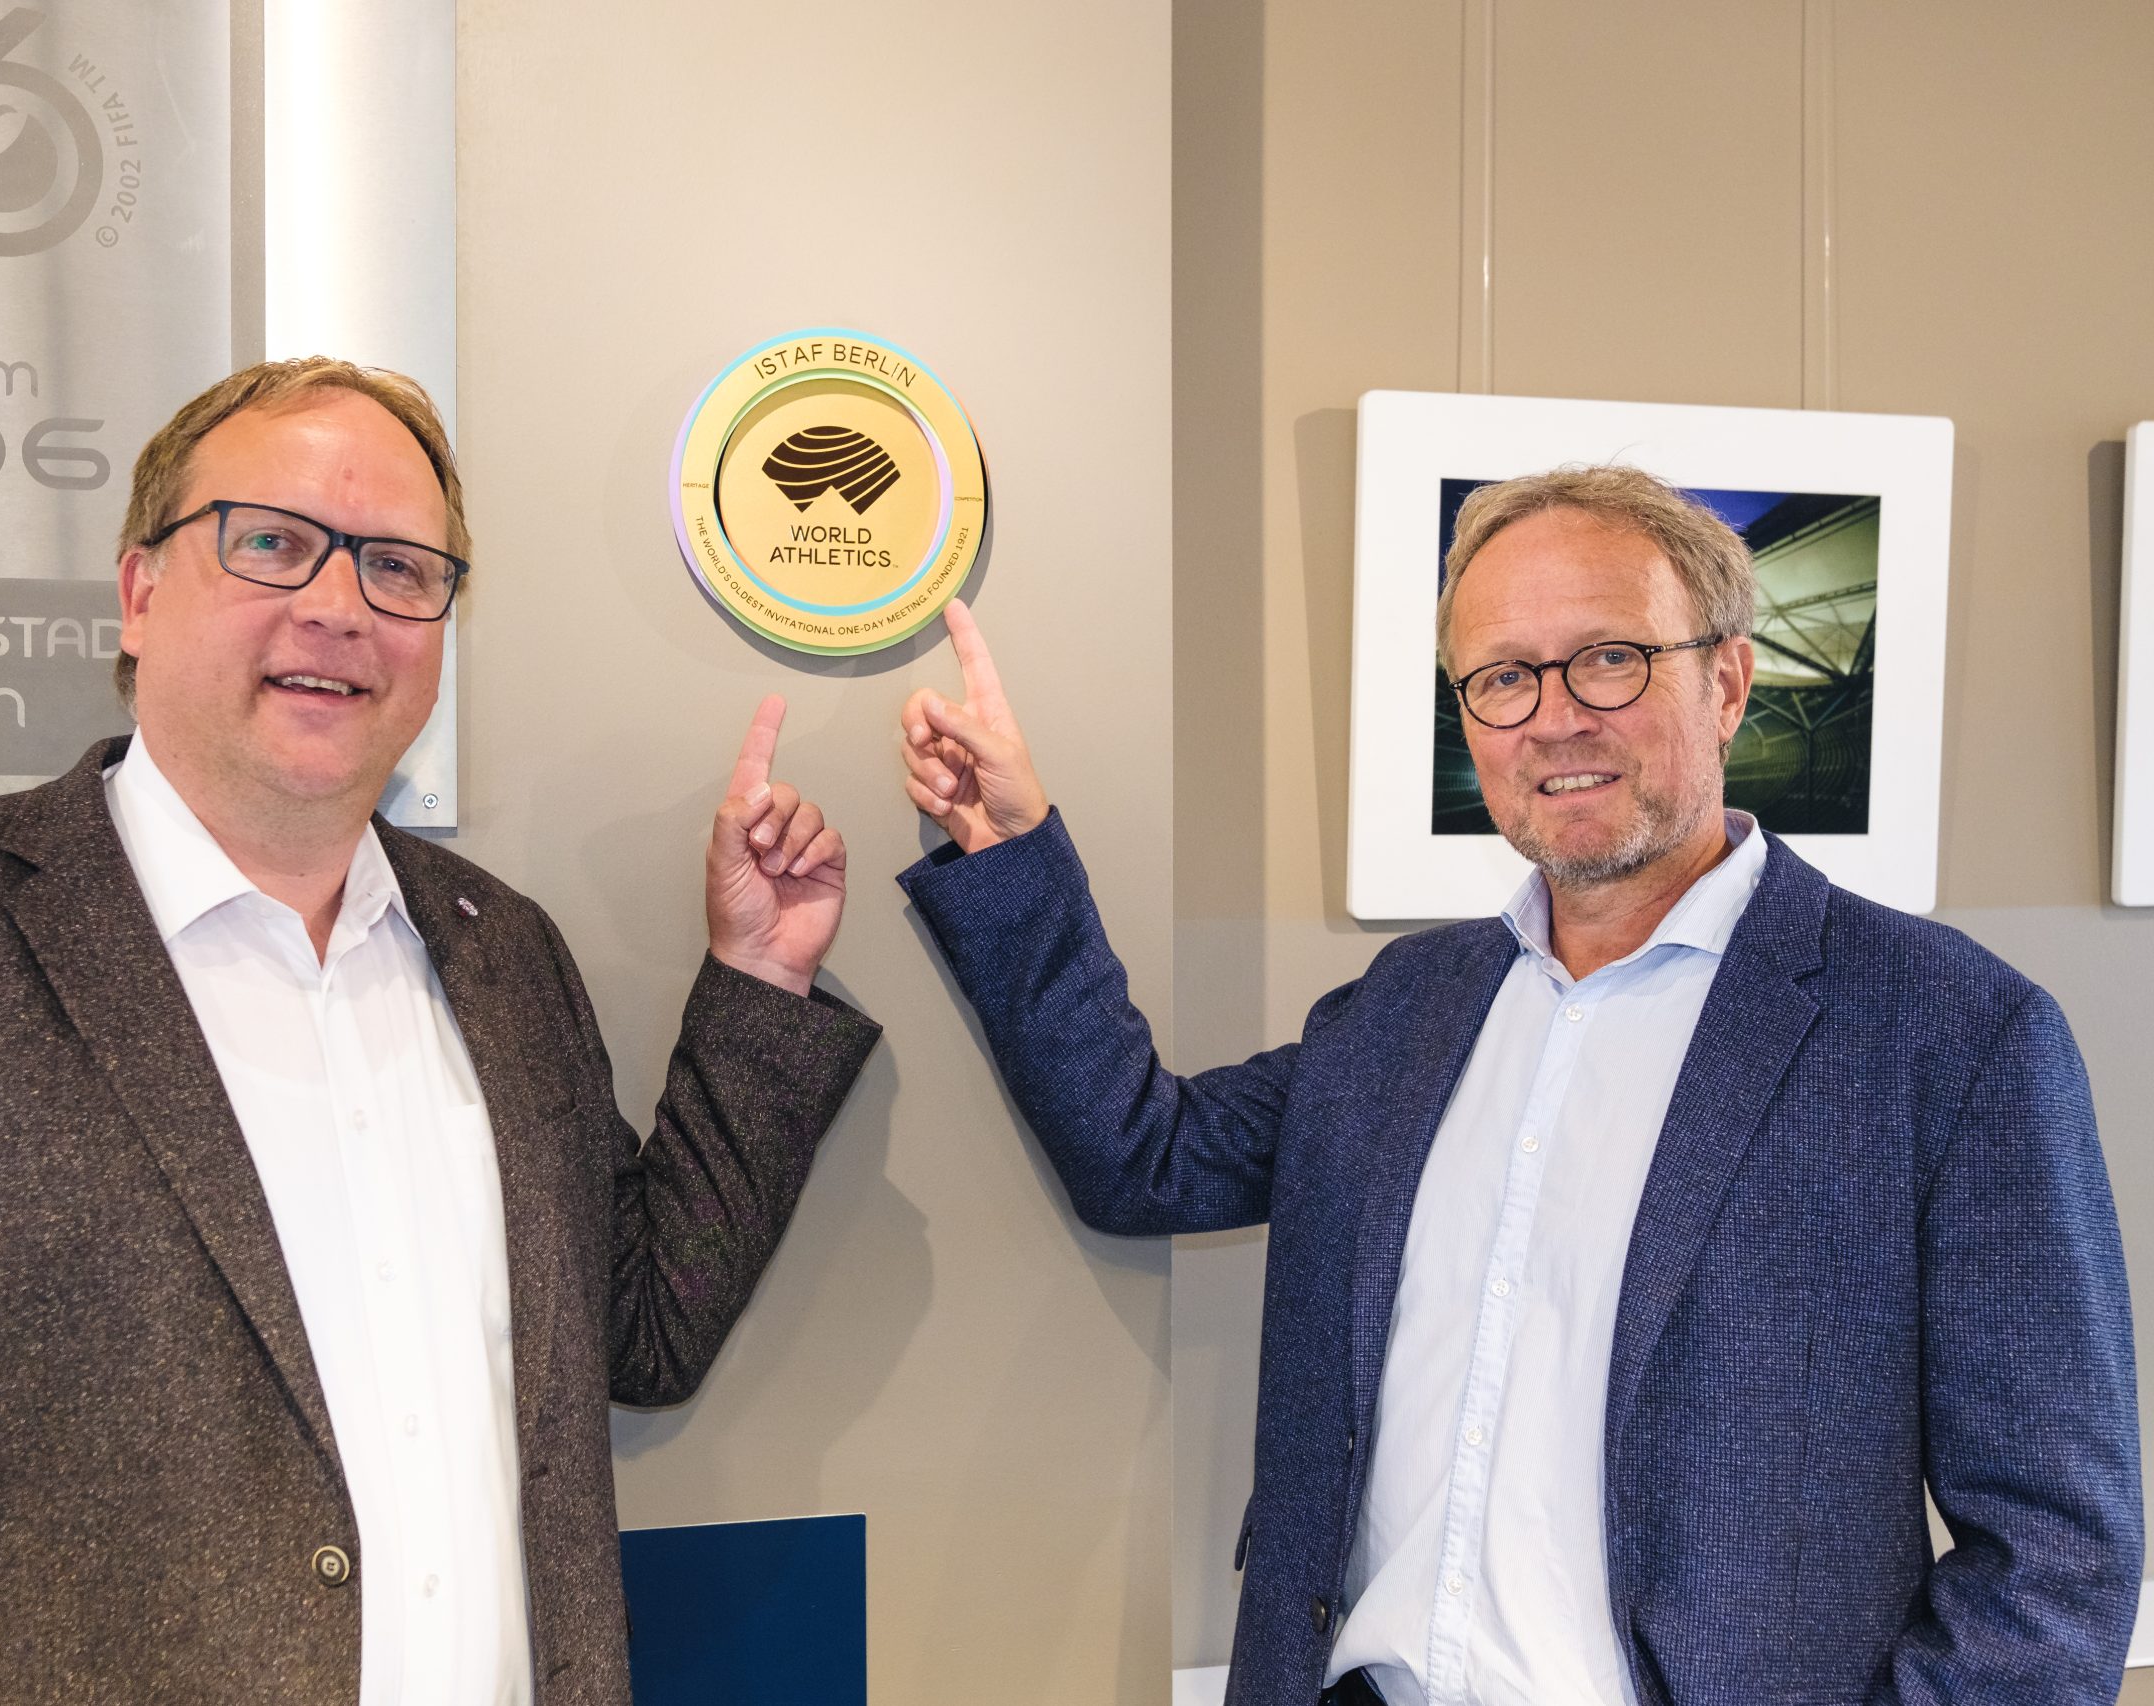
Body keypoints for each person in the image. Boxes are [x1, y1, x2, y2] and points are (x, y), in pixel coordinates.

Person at [0, 358, 880, 1704]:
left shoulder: (501, 953)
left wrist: (758, 979)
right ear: (141, 589)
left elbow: (638, 1335)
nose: (339, 607)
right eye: (271, 544)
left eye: (400, 566)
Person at [893, 466, 2141, 1705]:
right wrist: (1009, 852)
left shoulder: (1951, 1037)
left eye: (1610, 657)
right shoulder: (1404, 1008)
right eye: (1502, 677)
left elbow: (2056, 1558)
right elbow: (1142, 1151)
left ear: (1728, 679)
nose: (1554, 718)